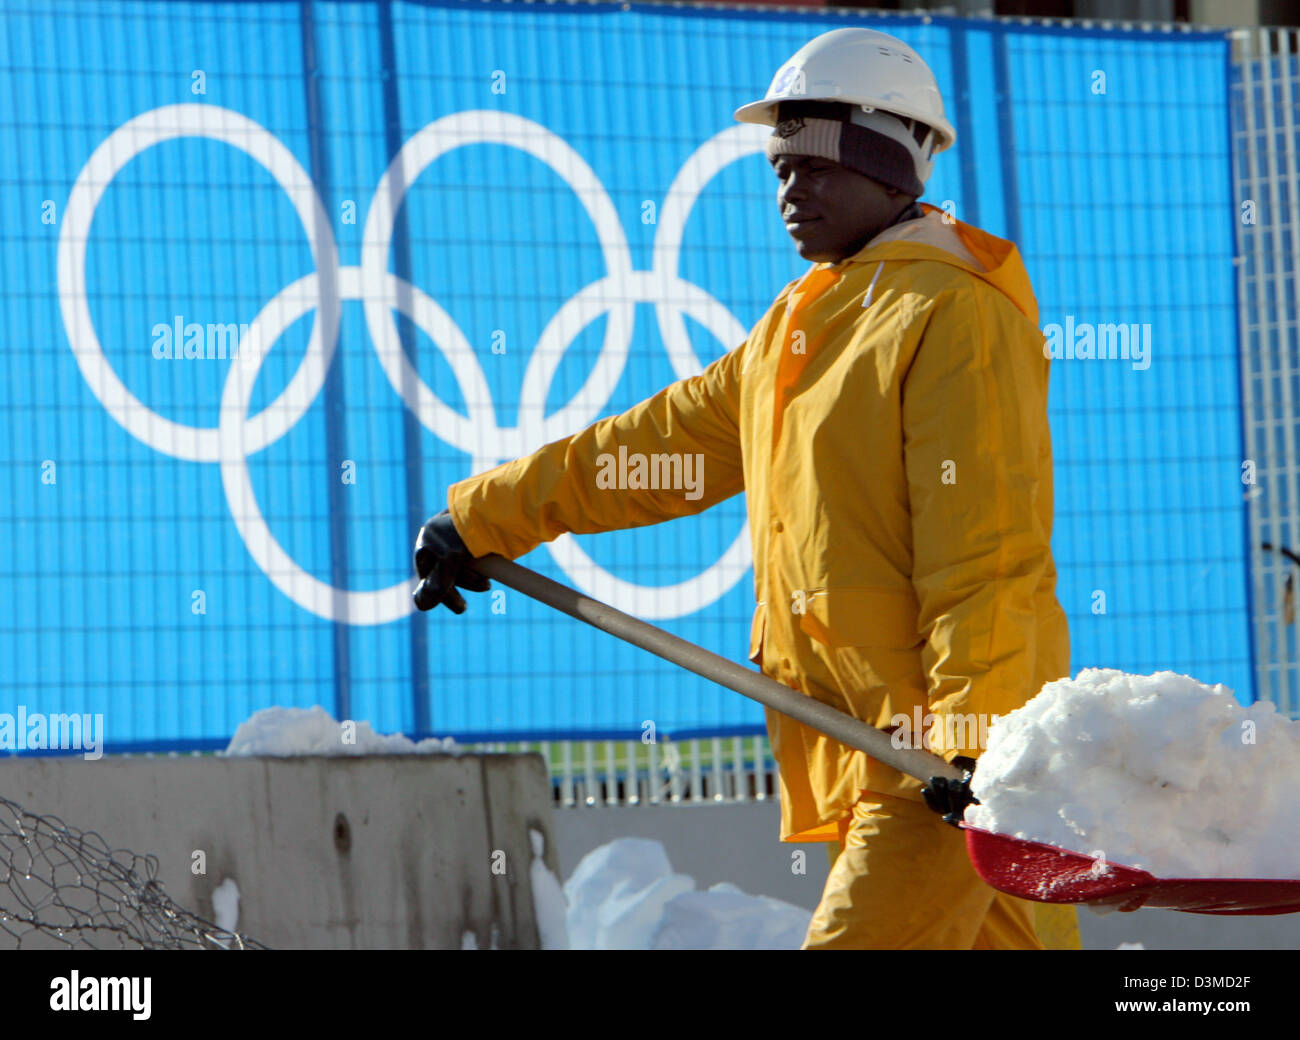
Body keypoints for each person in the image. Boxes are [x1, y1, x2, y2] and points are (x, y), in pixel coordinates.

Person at [412, 27, 1074, 950]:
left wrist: (973, 736)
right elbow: (655, 448)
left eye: (819, 168)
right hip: (879, 750)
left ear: (893, 172)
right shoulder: (797, 329)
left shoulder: (951, 312)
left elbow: (988, 546)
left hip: (935, 755)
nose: (790, 192)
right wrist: (485, 514)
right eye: (780, 171)